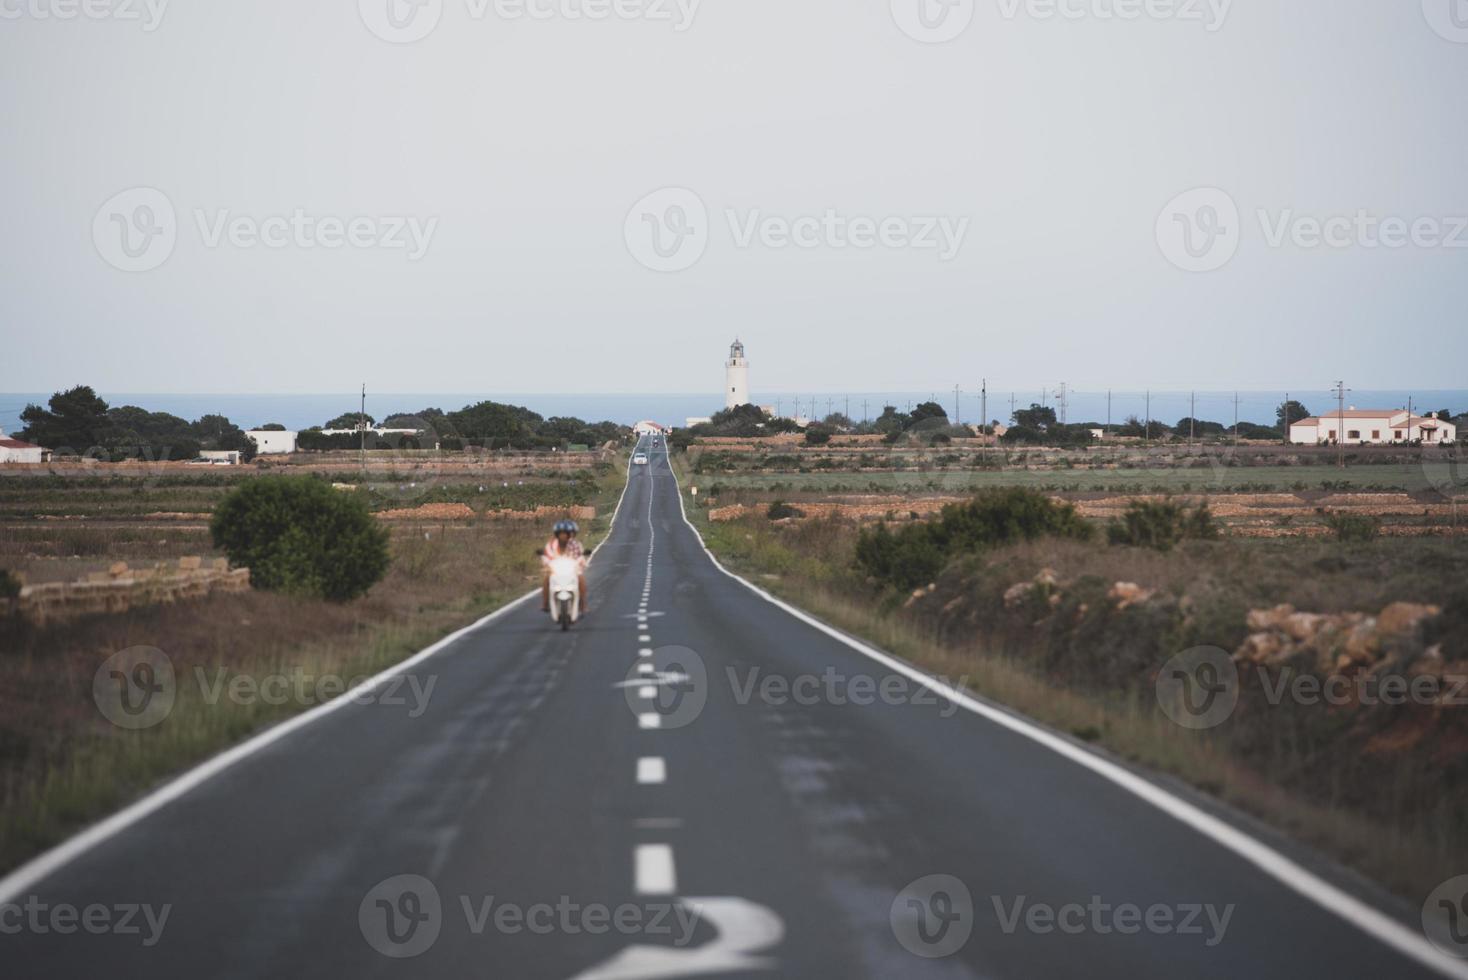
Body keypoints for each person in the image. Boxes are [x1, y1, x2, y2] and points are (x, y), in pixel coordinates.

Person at [541, 519, 588, 613]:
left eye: (567, 533)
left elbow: (580, 558)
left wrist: (579, 566)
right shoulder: (551, 545)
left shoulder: (575, 545)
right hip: (556, 570)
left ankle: (582, 602)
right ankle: (545, 602)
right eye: (561, 533)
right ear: (557, 534)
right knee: (546, 579)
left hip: (571, 570)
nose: (564, 536)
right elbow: (546, 558)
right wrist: (547, 567)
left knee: (581, 578)